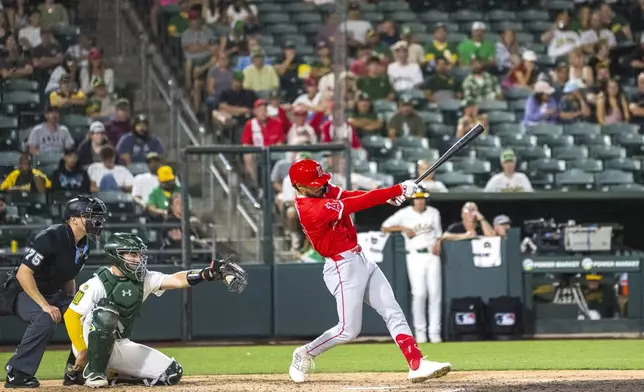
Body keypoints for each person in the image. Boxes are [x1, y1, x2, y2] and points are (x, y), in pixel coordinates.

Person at [287, 159, 451, 384]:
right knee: (348, 330)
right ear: (299, 186)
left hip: (360, 258)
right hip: (341, 267)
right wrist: (397, 189)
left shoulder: (321, 191)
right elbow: (357, 204)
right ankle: (304, 353)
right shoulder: (311, 209)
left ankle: (417, 363)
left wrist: (389, 196)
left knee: (392, 310)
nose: (320, 186)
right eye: (314, 184)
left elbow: (350, 195)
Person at [62, 233, 247, 387]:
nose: (138, 259)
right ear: (116, 256)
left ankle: (114, 375)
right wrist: (82, 350)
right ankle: (93, 373)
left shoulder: (145, 279)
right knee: (105, 313)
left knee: (172, 373)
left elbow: (175, 279)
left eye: (139, 254)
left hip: (118, 343)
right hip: (89, 343)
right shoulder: (96, 283)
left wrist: (207, 273)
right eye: (132, 254)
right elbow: (71, 315)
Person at [3, 196, 107, 388]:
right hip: (24, 291)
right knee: (45, 317)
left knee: (87, 315)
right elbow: (23, 274)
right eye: (91, 216)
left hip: (52, 293)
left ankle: (75, 371)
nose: (96, 221)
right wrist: (45, 305)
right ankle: (17, 373)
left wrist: (74, 303)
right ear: (73, 219)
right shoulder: (51, 237)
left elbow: (68, 276)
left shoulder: (84, 244)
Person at [381, 187, 443, 344]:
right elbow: (385, 226)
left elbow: (438, 234)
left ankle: (435, 333)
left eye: (422, 198)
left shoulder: (434, 212)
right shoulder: (404, 214)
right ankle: (421, 333)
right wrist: (403, 228)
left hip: (431, 255)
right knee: (419, 294)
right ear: (413, 200)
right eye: (417, 198)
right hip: (414, 255)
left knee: (435, 294)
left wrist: (438, 242)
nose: (420, 201)